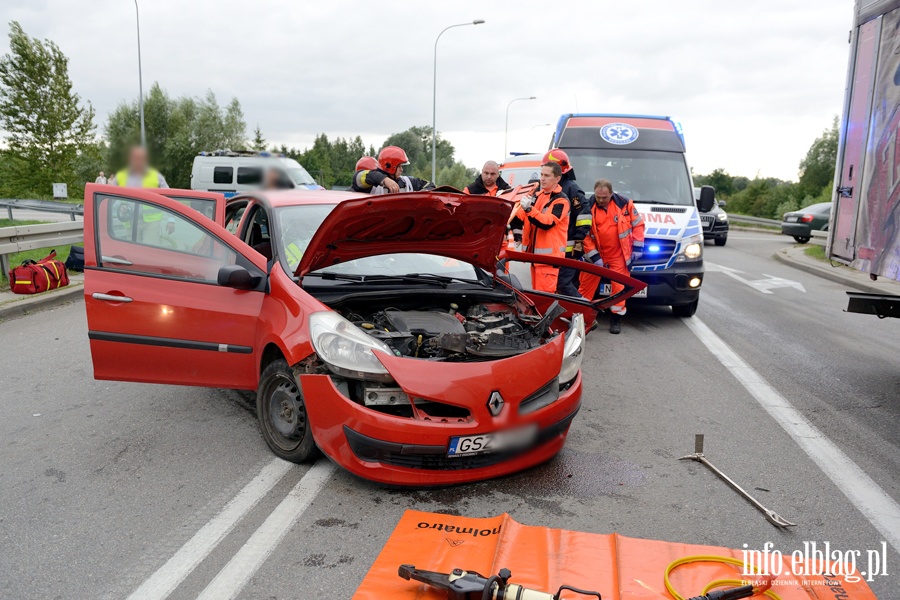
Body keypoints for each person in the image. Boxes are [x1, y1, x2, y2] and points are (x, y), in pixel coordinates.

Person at [579, 179, 645, 334]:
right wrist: (595, 257)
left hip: (618, 255)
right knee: (585, 289)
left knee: (618, 289)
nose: (601, 200)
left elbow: (638, 225)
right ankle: (581, 318)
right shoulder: (587, 207)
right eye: (598, 197)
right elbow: (584, 235)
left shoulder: (624, 205)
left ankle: (616, 319)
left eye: (604, 197)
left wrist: (637, 247)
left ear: (611, 194)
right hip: (595, 255)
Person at [508, 162, 570, 292]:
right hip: (537, 260)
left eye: (547, 175)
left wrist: (529, 209)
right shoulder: (539, 196)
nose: (542, 178)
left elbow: (547, 223)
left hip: (549, 261)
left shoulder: (561, 201)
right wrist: (507, 201)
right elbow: (520, 216)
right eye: (541, 174)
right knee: (538, 300)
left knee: (544, 301)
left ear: (557, 179)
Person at [543, 149, 589, 298]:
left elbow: (585, 215)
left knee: (563, 284)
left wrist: (578, 239)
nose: (543, 177)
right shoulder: (549, 190)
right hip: (554, 249)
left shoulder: (571, 189)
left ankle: (586, 313)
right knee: (555, 285)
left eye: (547, 174)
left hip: (568, 249)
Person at [110, 146, 169, 244]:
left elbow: (169, 197)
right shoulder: (120, 176)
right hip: (130, 221)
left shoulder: (156, 175)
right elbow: (110, 198)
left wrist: (172, 219)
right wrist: (119, 207)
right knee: (133, 253)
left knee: (149, 251)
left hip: (152, 222)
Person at [351, 146, 433, 194]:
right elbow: (358, 177)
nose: (402, 169)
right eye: (399, 166)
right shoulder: (371, 184)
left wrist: (424, 192)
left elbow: (430, 185)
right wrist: (384, 180)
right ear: (390, 166)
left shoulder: (407, 182)